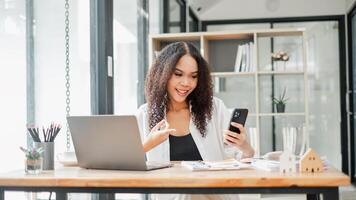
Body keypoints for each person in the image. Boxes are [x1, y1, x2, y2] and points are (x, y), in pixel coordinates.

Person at [136, 41, 254, 200]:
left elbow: (243, 160)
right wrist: (149, 143)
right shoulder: (146, 113)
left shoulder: (214, 108)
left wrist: (244, 146)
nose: (186, 83)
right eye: (178, 74)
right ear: (162, 73)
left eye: (193, 76)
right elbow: (125, 165)